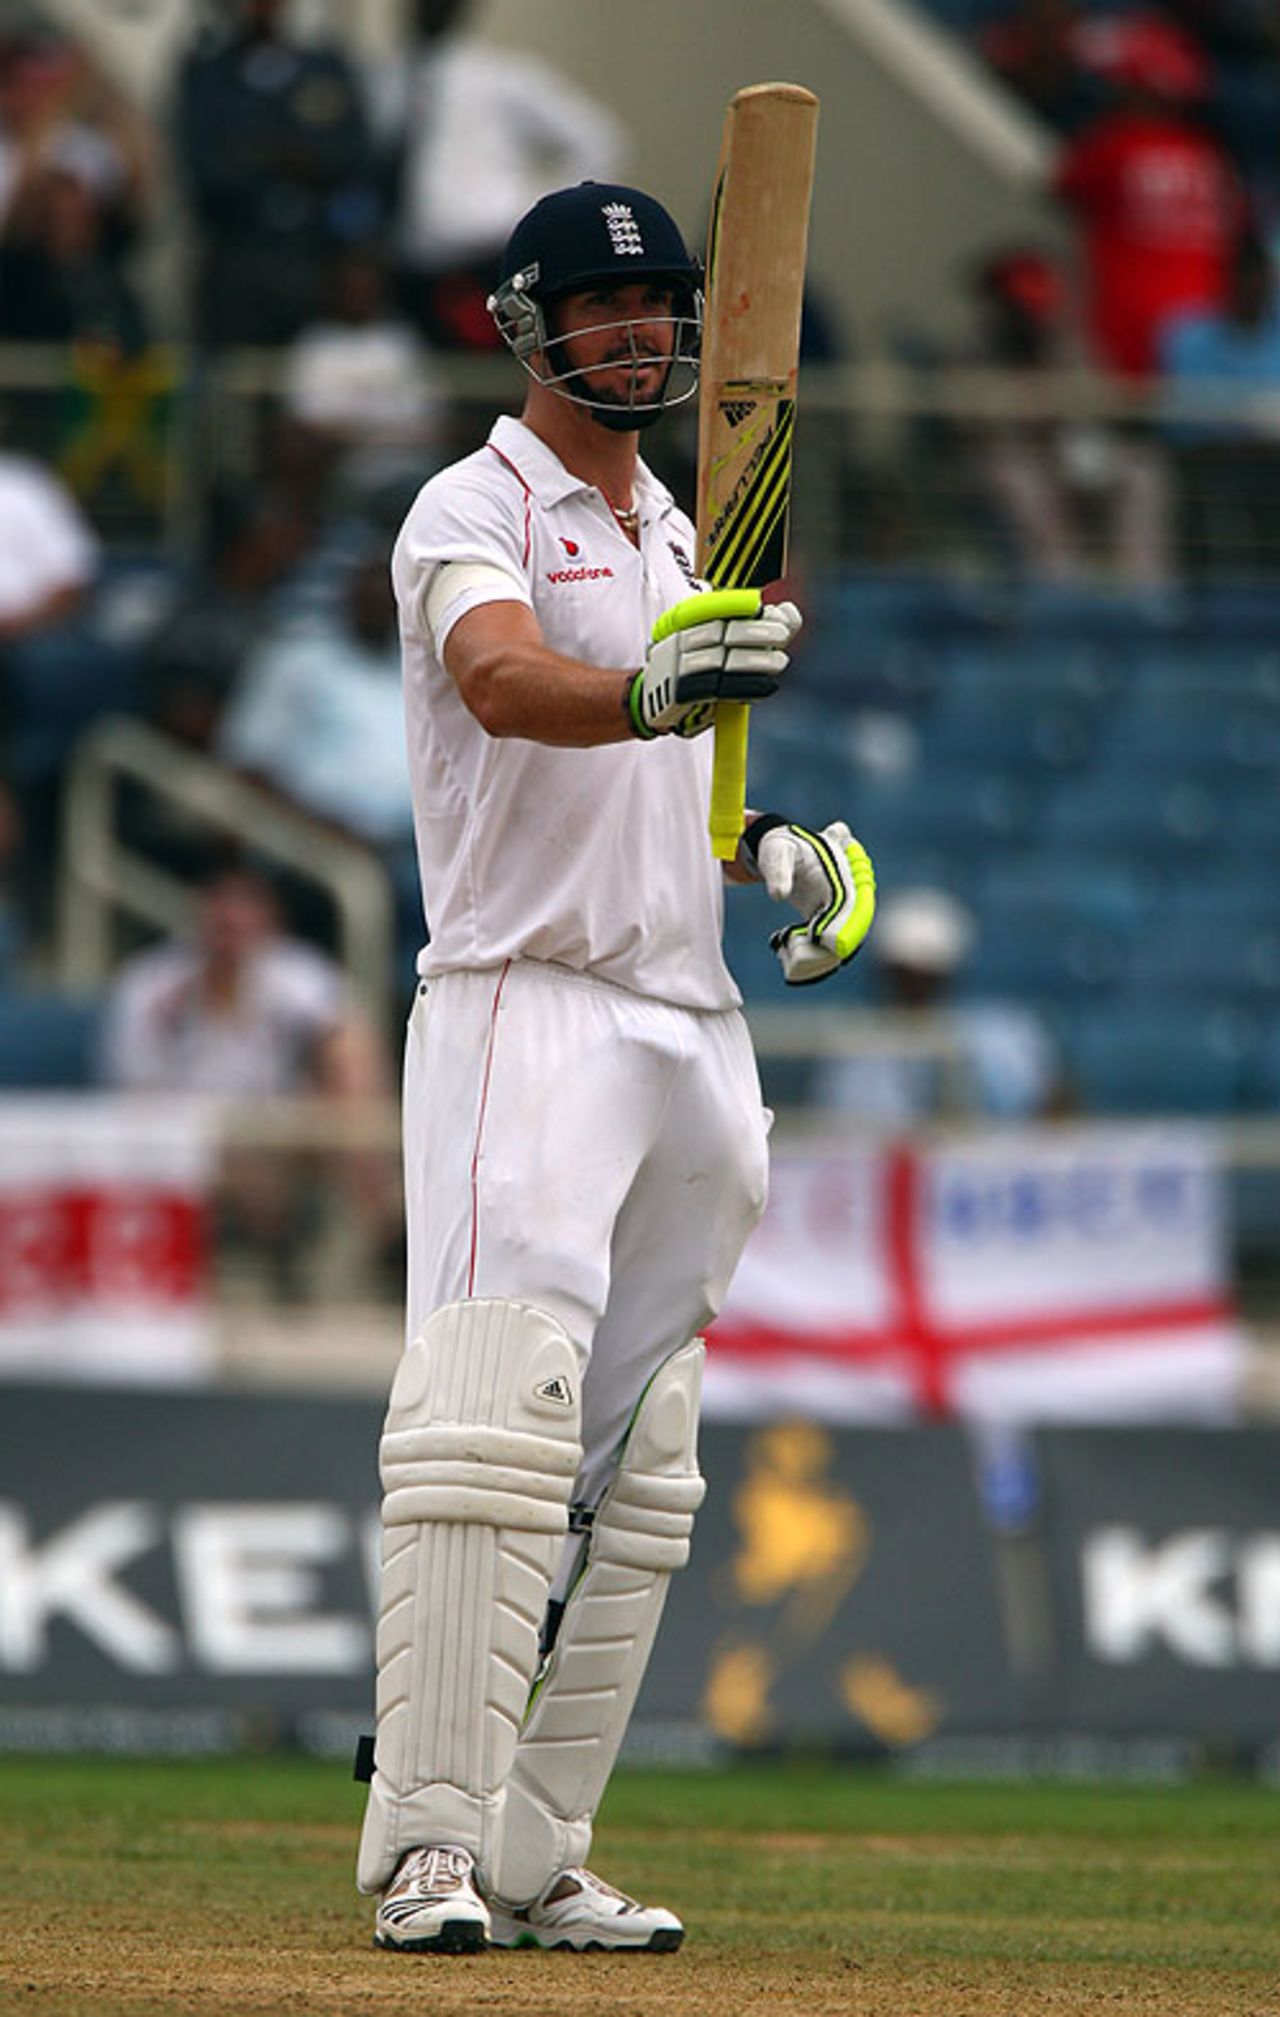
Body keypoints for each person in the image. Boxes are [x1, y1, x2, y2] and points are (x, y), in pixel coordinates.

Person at [355, 179, 875, 1955]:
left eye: (665, 306)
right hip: (525, 1003)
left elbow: (675, 792)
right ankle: (423, 1848)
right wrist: (660, 692)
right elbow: (503, 684)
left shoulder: (682, 538)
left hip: (689, 1010)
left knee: (640, 1465)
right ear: (529, 321)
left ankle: (531, 1845)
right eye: (608, 304)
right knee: (495, 1420)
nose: (646, 333)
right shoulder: (467, 507)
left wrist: (779, 849)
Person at [368, 0, 626, 349]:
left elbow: (597, 140)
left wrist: (542, 215)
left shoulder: (501, 77)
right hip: (410, 268)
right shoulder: (386, 80)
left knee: (495, 374)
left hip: (489, 260)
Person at [964, 245, 1175, 590]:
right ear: (997, 306)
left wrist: (1066, 417)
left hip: (1069, 454)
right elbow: (979, 427)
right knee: (1025, 484)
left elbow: (1100, 404)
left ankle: (1147, 592)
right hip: (1011, 463)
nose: (1028, 317)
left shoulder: (1064, 344)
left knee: (1142, 472)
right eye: (1017, 307)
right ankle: (1063, 594)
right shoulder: (975, 351)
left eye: (1034, 308)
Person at [172, 0, 379, 347]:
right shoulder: (209, 73)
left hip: (315, 257)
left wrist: (259, 152)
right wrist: (288, 157)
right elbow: (206, 168)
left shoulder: (323, 69)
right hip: (237, 258)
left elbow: (349, 157)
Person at [812, 887, 1065, 1126]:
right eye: (904, 974)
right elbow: (840, 1136)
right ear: (884, 974)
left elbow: (1057, 1110)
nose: (915, 986)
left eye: (928, 974)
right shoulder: (855, 1050)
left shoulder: (1003, 1034)